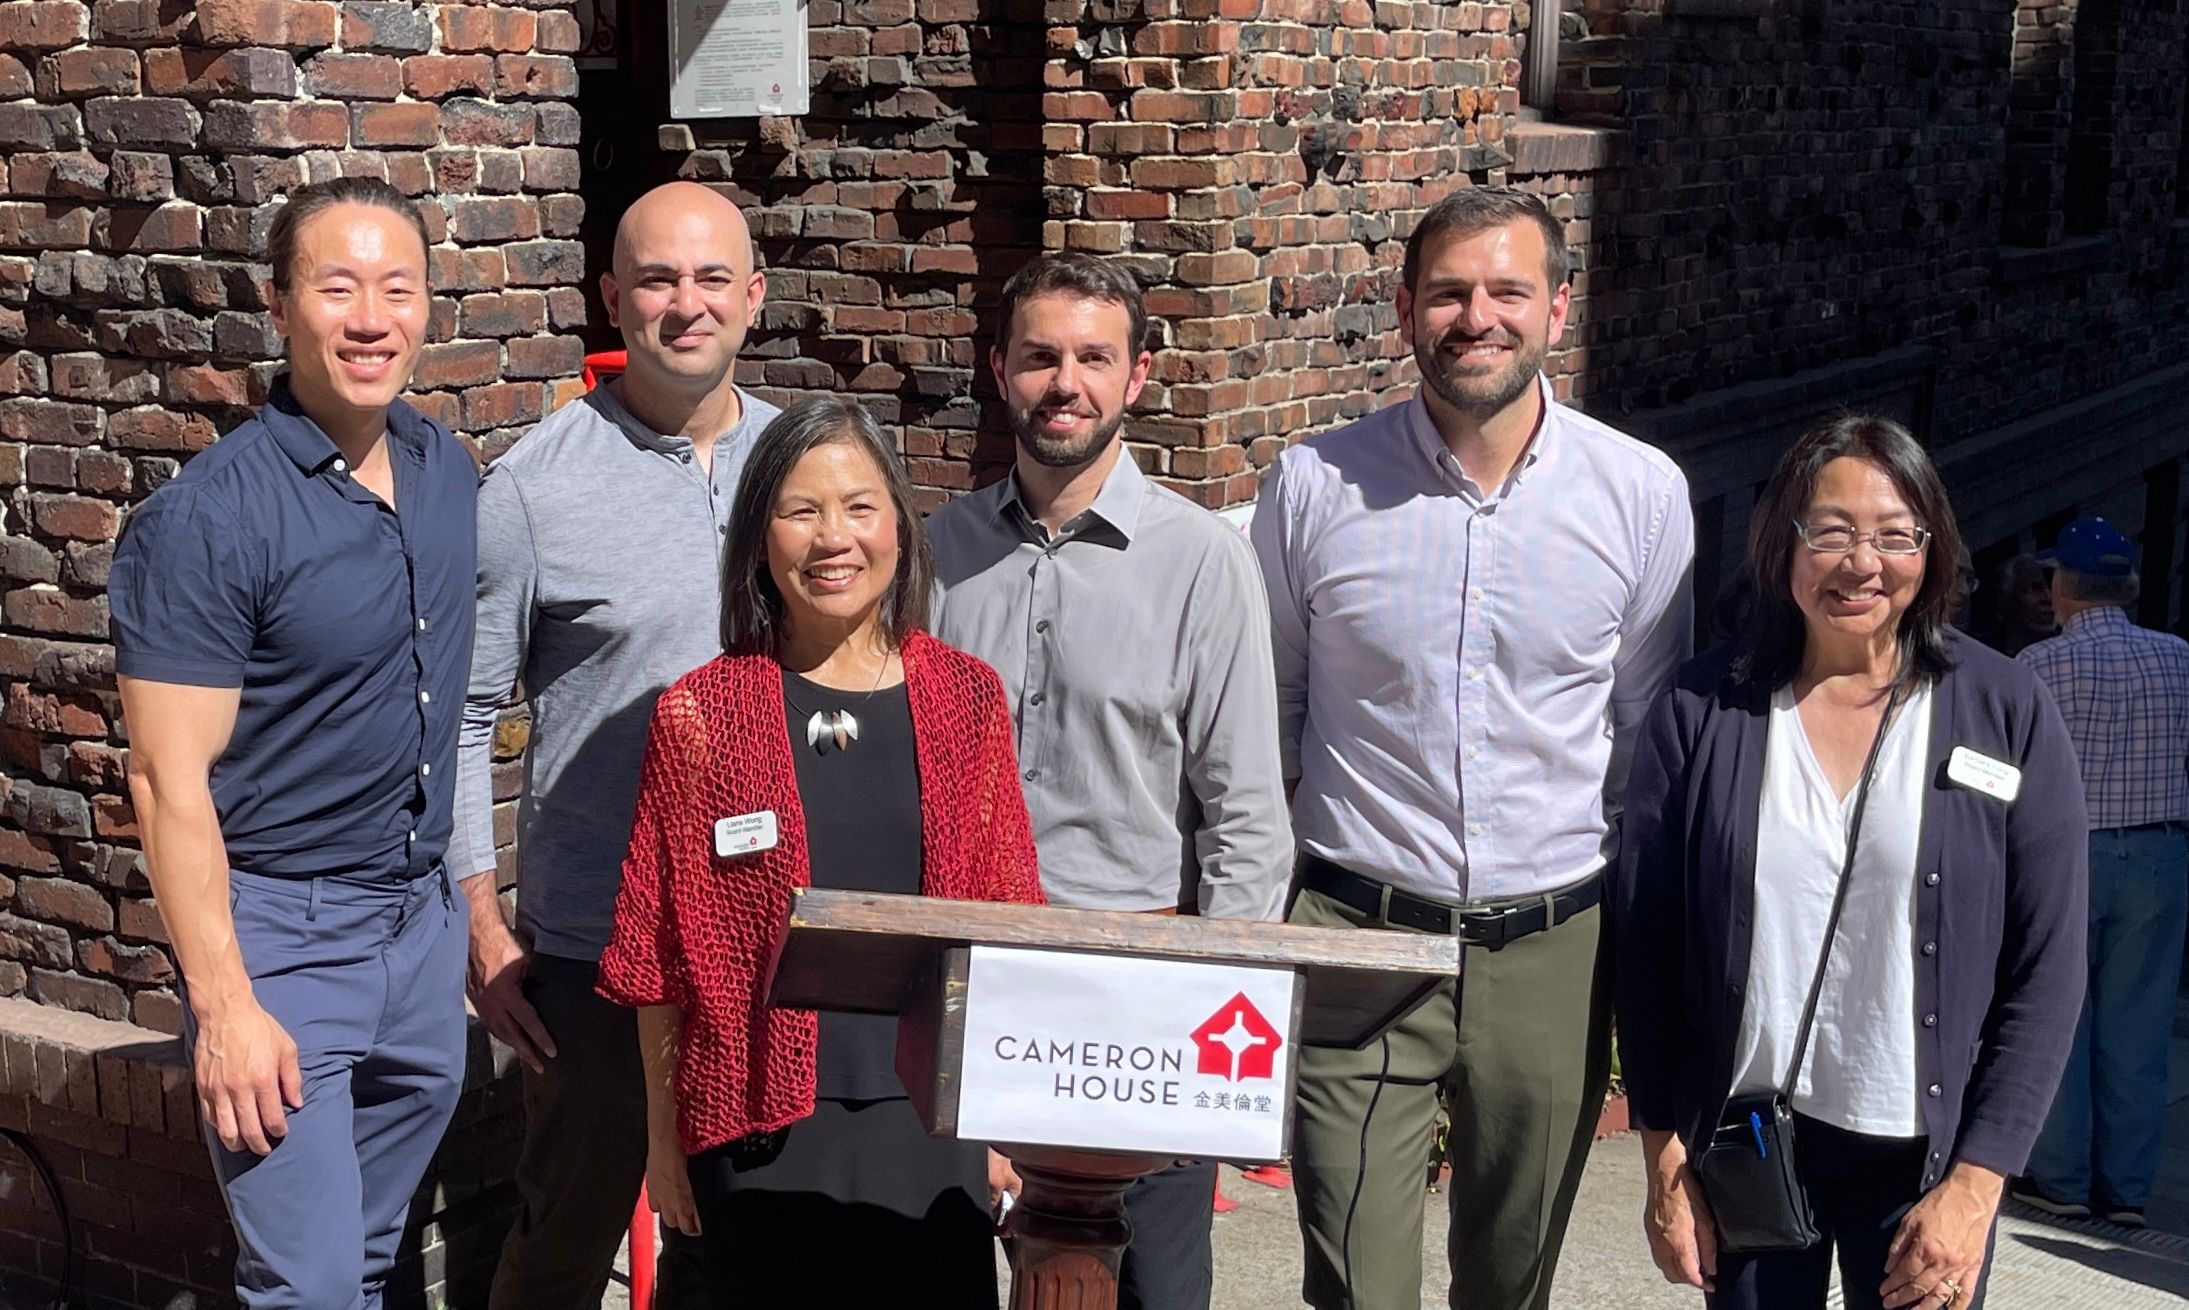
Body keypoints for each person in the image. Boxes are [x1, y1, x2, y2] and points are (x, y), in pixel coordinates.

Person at [1250, 187, 1694, 1310]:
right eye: (1447, 291)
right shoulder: (1313, 486)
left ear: (1556, 304)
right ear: (1404, 308)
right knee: (1355, 1280)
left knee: (1511, 1281)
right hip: (1359, 935)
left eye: (1505, 289)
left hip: (1550, 940)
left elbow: (1644, 736)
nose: (1475, 315)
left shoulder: (1639, 494)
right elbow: (1274, 713)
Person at [1614, 416, 2089, 1310]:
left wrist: (1978, 1186)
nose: (1860, 563)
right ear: (1781, 542)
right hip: (1748, 1141)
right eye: (1829, 531)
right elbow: (1646, 947)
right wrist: (1662, 1149)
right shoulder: (1701, 709)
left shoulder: (2004, 709)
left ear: (1931, 548)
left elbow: (2048, 967)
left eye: (1893, 535)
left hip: (1924, 1163)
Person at [110, 178, 476, 1308]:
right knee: (308, 1286)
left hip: (420, 937)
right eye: (337, 286)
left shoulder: (445, 470)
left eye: (397, 286)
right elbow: (166, 780)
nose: (371, 317)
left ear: (425, 308)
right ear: (279, 305)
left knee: (367, 1262)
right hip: (284, 941)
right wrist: (222, 1003)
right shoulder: (209, 517)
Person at [596, 397, 1045, 1308]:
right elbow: (660, 958)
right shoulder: (701, 715)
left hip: (931, 1123)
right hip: (757, 1128)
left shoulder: (965, 702)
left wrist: (1008, 1123)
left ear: (898, 527)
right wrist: (662, 1138)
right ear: (759, 535)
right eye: (801, 510)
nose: (832, 537)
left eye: (858, 506)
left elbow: (1010, 925)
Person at [927, 251, 1294, 1309]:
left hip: (1142, 988)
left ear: (1136, 377)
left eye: (1094, 357)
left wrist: (1224, 1016)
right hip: (976, 979)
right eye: (1040, 355)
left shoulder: (1199, 562)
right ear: (998, 368)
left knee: (1154, 1293)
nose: (1064, 381)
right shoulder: (939, 552)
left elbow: (1246, 820)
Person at [453, 180, 779, 1310]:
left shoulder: (808, 472)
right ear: (612, 298)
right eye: (655, 279)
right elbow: (464, 714)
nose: (683, 305)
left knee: (742, 1244)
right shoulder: (533, 489)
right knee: (562, 1241)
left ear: (753, 297)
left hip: (771, 933)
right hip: (594, 941)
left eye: (707, 279)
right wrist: (480, 917)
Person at [2013, 516, 2189, 1228]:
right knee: (2138, 1027)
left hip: (2066, 853)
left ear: (2059, 587)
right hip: (2158, 851)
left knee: (2058, 1018)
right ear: (2130, 585)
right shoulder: (2177, 656)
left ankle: (2060, 1178)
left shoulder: (2035, 666)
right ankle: (2125, 1190)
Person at [1980, 554, 2055, 656]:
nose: (2048, 598)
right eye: (2034, 589)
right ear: (2003, 600)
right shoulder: (1982, 653)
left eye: (2052, 588)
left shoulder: (2068, 649)